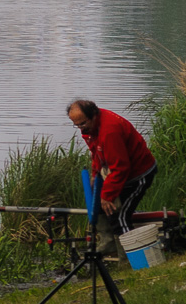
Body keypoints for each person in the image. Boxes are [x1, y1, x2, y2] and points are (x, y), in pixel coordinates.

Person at [66, 99, 157, 256]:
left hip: (139, 174)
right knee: (97, 201)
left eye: (82, 124)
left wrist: (107, 195)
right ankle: (109, 243)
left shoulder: (110, 131)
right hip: (119, 171)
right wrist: (95, 174)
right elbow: (97, 151)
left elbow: (121, 167)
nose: (81, 128)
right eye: (77, 125)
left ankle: (133, 259)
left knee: (119, 216)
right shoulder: (91, 127)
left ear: (93, 115)